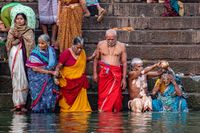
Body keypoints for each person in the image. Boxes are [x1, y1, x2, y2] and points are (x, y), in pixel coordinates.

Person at [6, 13, 35, 112]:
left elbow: (31, 45)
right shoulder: (12, 30)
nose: (19, 21)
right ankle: (16, 104)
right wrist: (16, 41)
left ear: (25, 21)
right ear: (14, 21)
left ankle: (22, 105)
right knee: (15, 79)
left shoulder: (29, 31)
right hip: (13, 56)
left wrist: (21, 38)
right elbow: (9, 44)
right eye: (17, 19)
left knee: (23, 79)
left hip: (24, 57)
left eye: (21, 19)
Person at [54, 36, 92, 112]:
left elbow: (84, 61)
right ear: (73, 45)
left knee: (83, 110)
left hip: (80, 82)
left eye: (81, 48)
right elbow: (58, 67)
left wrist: (92, 57)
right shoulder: (66, 53)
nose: (79, 50)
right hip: (68, 83)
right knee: (66, 111)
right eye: (77, 47)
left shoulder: (83, 53)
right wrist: (55, 78)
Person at [93, 29, 127, 112]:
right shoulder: (100, 44)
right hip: (104, 74)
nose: (110, 41)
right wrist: (95, 73)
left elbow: (124, 62)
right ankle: (103, 112)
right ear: (105, 38)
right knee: (103, 96)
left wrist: (124, 79)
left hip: (116, 75)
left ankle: (114, 118)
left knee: (116, 98)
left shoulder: (122, 46)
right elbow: (96, 59)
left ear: (116, 38)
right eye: (108, 39)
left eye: (112, 39)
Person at [26, 34, 59, 113]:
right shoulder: (35, 53)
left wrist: (54, 75)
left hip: (48, 76)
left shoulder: (51, 51)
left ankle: (48, 109)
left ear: (48, 43)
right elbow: (34, 69)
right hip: (36, 78)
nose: (40, 45)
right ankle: (37, 111)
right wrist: (50, 72)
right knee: (38, 97)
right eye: (39, 43)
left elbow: (54, 65)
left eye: (42, 43)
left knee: (49, 94)